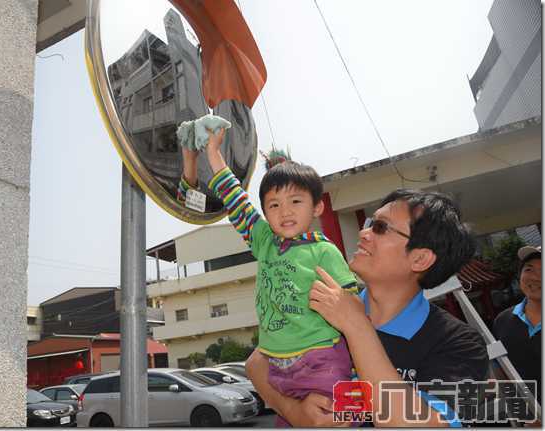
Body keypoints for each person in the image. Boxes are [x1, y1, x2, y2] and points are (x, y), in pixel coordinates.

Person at [246, 189, 490, 427]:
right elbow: (257, 362)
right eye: (371, 222)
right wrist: (294, 412)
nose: (364, 233)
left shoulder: (459, 343)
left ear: (420, 259)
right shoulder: (327, 303)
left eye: (381, 228)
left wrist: (355, 325)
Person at [180, 129, 358, 427]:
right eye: (274, 205)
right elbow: (236, 201)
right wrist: (213, 153)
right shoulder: (265, 242)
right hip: (276, 366)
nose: (284, 212)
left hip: (321, 361)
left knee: (335, 421)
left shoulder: (324, 251)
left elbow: (352, 310)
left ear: (317, 207)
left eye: (295, 202)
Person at [493, 245, 541, 391]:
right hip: (527, 411)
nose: (535, 277)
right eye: (528, 269)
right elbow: (500, 368)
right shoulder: (502, 321)